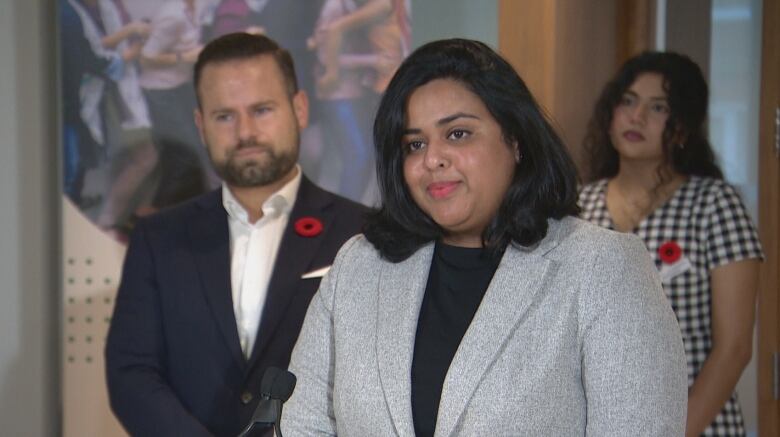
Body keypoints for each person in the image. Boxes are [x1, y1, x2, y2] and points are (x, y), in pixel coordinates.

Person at [281, 38, 687, 436]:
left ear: (516, 141)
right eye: (414, 144)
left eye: (457, 134)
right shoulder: (360, 264)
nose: (432, 159)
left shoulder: (602, 268)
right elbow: (305, 424)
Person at [105, 32, 367, 437]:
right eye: (224, 116)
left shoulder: (363, 233)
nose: (245, 132)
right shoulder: (158, 239)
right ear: (201, 125)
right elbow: (131, 374)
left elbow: (376, 378)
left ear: (299, 109)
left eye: (262, 110)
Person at [579, 51, 764, 437]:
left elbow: (734, 349)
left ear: (681, 128)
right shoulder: (577, 206)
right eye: (628, 102)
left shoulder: (715, 204)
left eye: (658, 107)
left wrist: (675, 430)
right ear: (610, 117)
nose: (637, 116)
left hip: (696, 424)